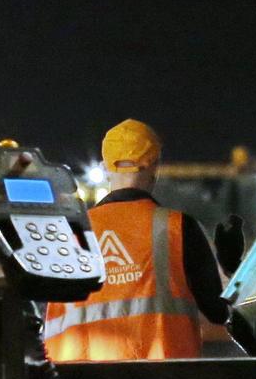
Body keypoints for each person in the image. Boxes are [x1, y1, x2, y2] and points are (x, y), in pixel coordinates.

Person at [42, 119, 230, 362]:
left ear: (105, 166)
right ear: (154, 166)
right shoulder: (179, 228)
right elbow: (218, 312)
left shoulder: (70, 234)